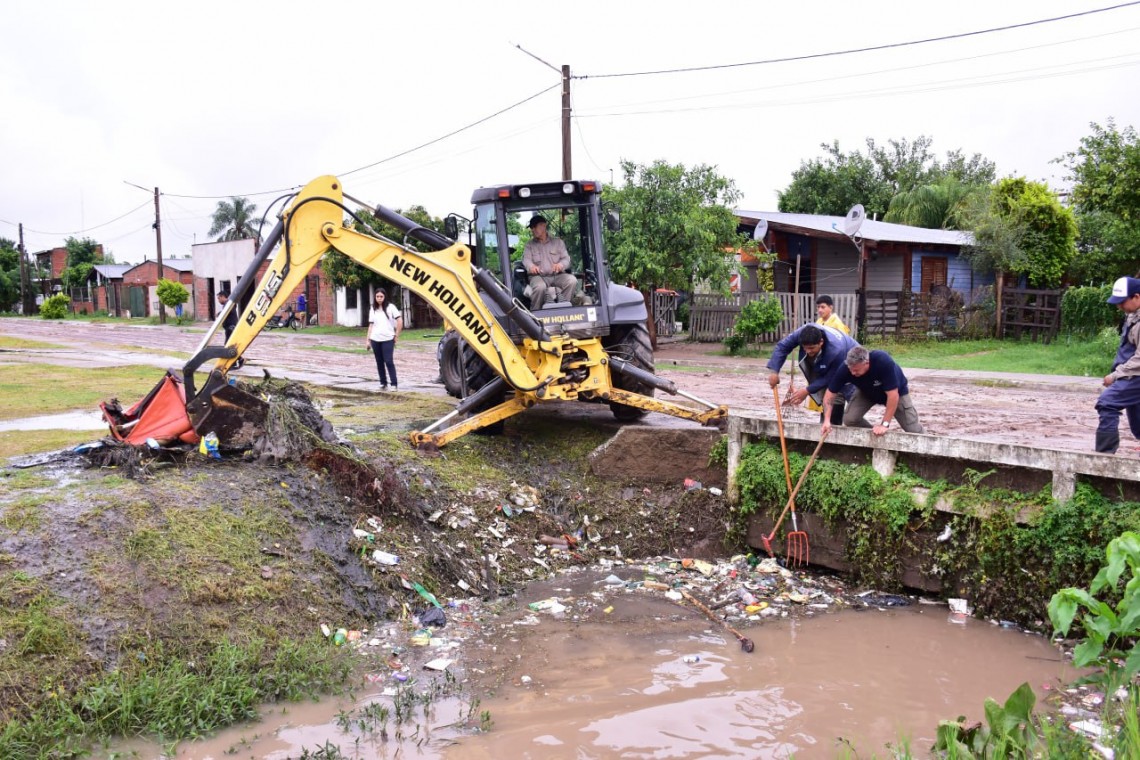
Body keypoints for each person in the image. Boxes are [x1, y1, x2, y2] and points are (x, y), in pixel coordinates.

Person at [766, 324, 858, 425]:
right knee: (828, 397)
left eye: (811, 348)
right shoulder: (802, 333)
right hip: (826, 362)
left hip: (853, 362)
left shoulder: (836, 350)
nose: (808, 351)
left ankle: (857, 428)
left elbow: (831, 377)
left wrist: (807, 390)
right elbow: (782, 347)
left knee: (852, 410)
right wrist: (774, 371)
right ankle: (828, 425)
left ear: (821, 342)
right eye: (805, 348)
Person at [822, 345, 923, 436]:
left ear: (866, 363)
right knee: (850, 419)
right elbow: (829, 394)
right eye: (850, 369)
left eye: (856, 370)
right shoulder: (845, 369)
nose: (852, 373)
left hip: (896, 393)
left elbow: (893, 395)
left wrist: (884, 424)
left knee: (912, 429)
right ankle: (874, 437)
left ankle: (930, 450)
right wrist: (827, 420)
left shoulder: (883, 361)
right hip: (867, 392)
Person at [1095, 276, 1140, 454]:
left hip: (1135, 376)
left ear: (1136, 297)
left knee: (1108, 402)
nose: (1119, 306)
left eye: (1122, 302)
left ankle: (1104, 456)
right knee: (1136, 414)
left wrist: (1115, 375)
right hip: (1131, 374)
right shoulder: (1133, 315)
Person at [522, 214, 576, 309]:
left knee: (572, 280)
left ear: (543, 226)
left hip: (557, 276)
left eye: (534, 227)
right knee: (540, 287)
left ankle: (564, 309)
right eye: (531, 228)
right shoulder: (529, 245)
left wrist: (561, 265)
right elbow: (526, 260)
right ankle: (536, 313)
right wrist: (531, 267)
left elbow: (566, 259)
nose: (532, 230)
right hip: (538, 277)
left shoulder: (558, 242)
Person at [366, 288, 403, 391]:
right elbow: (371, 325)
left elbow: (400, 321)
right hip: (375, 339)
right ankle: (383, 382)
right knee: (379, 362)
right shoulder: (373, 308)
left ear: (385, 297)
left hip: (388, 339)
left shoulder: (391, 307)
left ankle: (394, 384)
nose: (379, 298)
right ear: (375, 297)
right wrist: (368, 340)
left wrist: (396, 335)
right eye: (377, 296)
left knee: (388, 361)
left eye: (381, 296)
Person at [216, 289, 244, 368]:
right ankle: (236, 361)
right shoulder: (227, 304)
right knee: (229, 345)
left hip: (231, 327)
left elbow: (226, 312)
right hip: (229, 328)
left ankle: (238, 360)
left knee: (228, 345)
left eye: (219, 298)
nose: (218, 300)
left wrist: (219, 314)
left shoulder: (228, 304)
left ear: (223, 297)